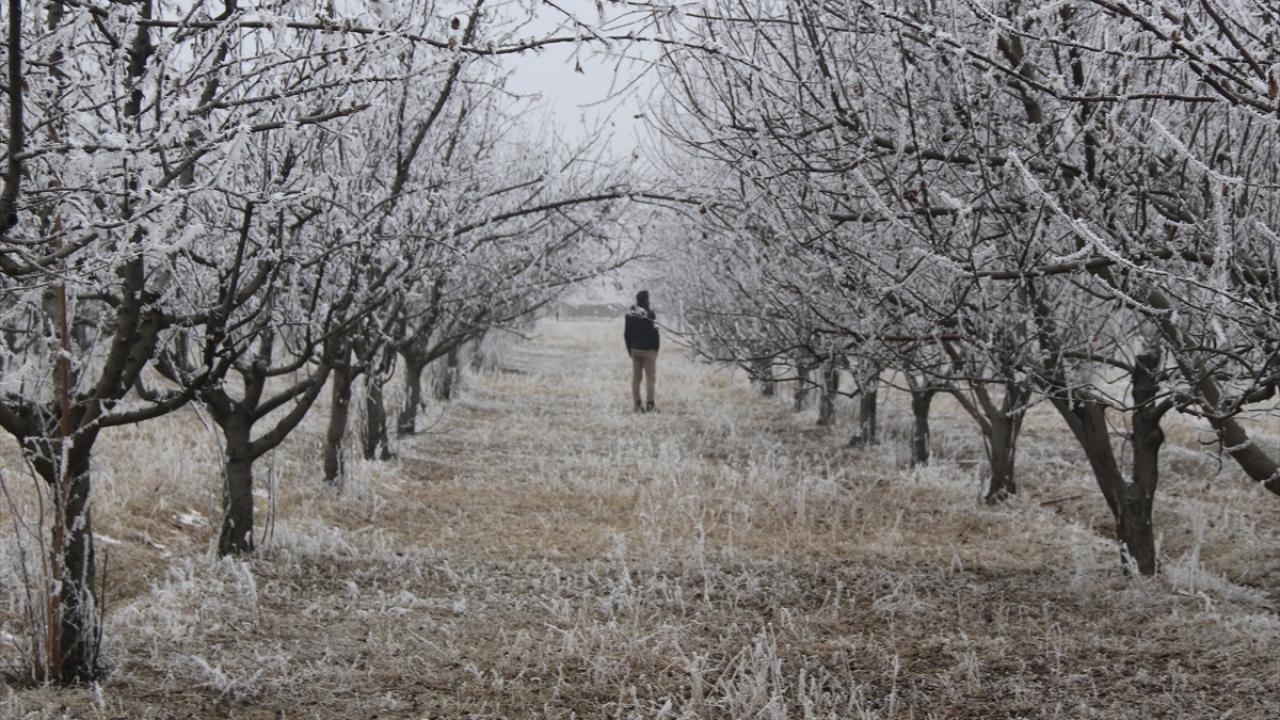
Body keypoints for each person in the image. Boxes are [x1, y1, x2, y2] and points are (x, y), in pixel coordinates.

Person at [624, 290, 660, 412]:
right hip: (649, 350)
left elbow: (626, 334)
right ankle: (650, 404)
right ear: (647, 300)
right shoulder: (650, 314)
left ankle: (637, 404)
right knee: (650, 379)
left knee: (636, 379)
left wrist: (629, 349)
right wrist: (656, 349)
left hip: (635, 350)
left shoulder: (629, 315)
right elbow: (655, 334)